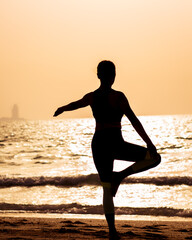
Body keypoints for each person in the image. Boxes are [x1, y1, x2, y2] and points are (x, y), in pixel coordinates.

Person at [53, 60, 161, 240]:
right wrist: (149, 143)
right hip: (115, 143)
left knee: (105, 187)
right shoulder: (118, 97)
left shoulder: (92, 97)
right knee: (155, 158)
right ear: (113, 76)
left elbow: (76, 104)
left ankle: (112, 231)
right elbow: (134, 120)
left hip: (98, 144)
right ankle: (120, 176)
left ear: (98, 75)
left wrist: (61, 109)